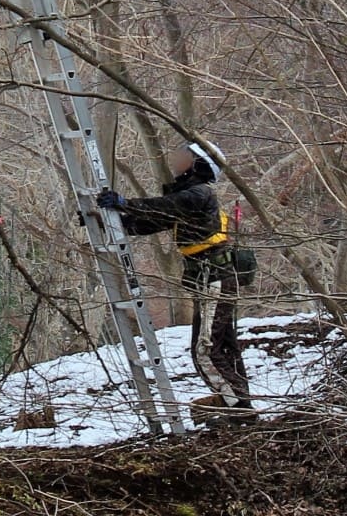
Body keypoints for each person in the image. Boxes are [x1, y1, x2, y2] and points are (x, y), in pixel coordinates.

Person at [96, 140, 253, 421]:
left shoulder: (199, 194)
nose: (176, 159)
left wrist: (125, 203)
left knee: (206, 351)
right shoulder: (189, 199)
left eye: (185, 155)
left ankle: (239, 411)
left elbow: (163, 208)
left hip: (215, 278)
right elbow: (148, 223)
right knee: (222, 346)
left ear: (198, 164)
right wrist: (107, 222)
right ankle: (241, 406)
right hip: (210, 280)